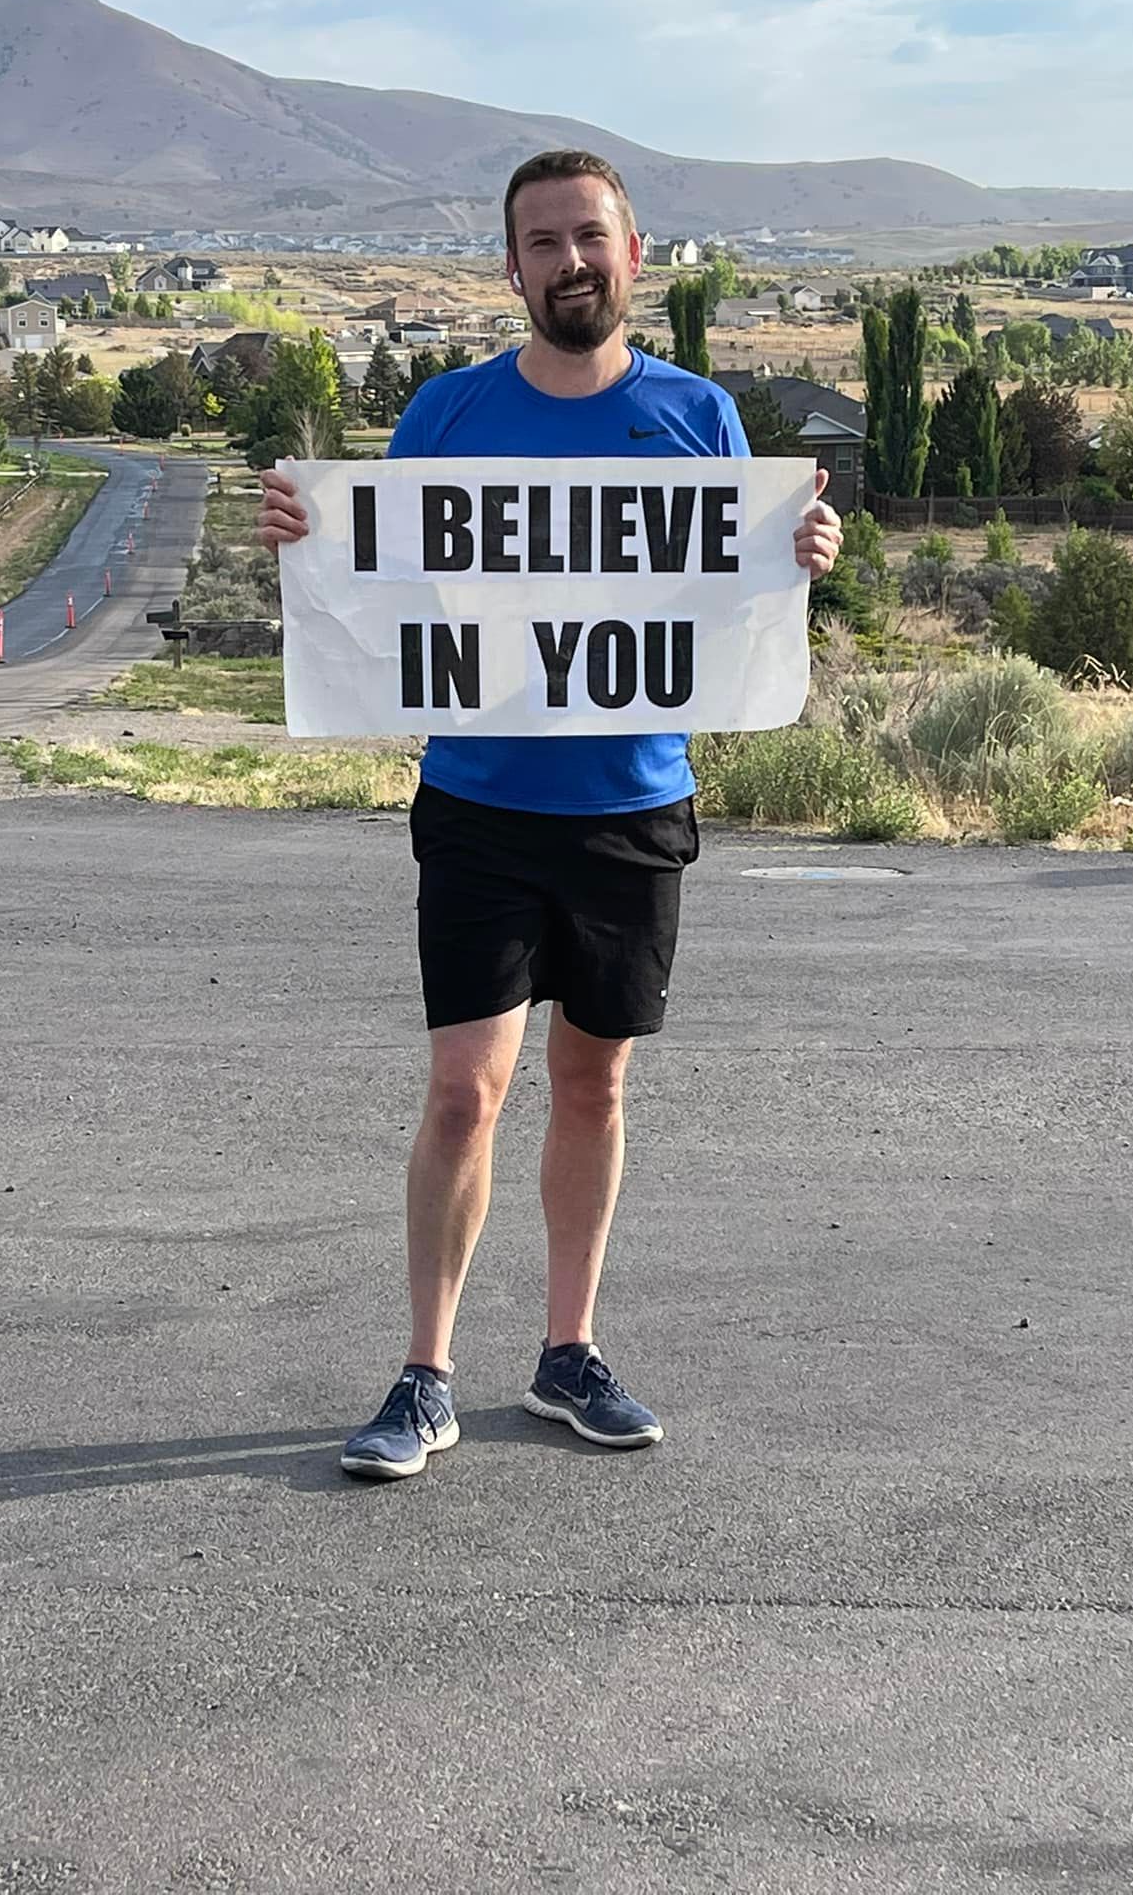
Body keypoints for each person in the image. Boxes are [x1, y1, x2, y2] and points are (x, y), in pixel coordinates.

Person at [257, 149, 842, 1480]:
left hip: (633, 805)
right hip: (478, 803)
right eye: (543, 242)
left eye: (591, 236)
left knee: (596, 1081)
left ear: (635, 256)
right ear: (510, 268)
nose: (570, 261)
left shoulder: (699, 417)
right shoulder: (445, 419)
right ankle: (425, 1374)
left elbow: (734, 605)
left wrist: (805, 560)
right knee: (467, 1091)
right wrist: (305, 532)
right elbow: (384, 583)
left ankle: (568, 1354)